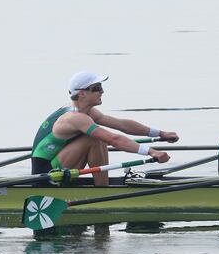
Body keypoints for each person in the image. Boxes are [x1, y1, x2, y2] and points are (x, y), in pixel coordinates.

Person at [31, 71, 179, 186]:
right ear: (82, 93)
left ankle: (101, 186)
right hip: (47, 175)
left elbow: (122, 125)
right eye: (97, 88)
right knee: (96, 139)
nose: (102, 91)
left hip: (58, 164)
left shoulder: (85, 111)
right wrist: (151, 151)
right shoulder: (75, 118)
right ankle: (102, 190)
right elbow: (113, 139)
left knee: (96, 138)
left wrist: (161, 133)